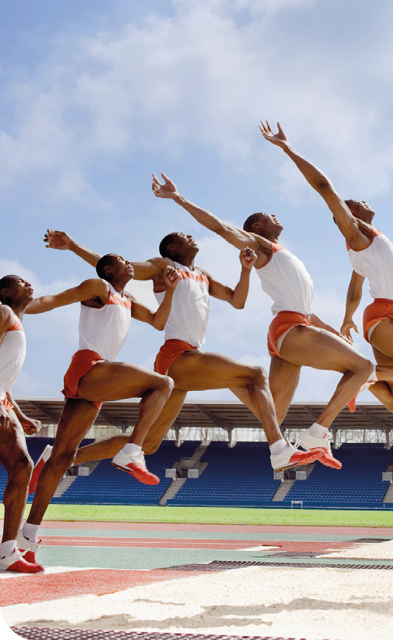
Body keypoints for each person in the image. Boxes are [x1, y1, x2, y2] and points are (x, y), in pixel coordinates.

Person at [42, 230, 320, 474]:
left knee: (148, 444)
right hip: (178, 356)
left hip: (187, 360)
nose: (191, 237)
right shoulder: (164, 267)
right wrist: (74, 246)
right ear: (173, 249)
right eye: (183, 236)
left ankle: (59, 459)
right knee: (255, 374)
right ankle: (279, 450)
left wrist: (245, 270)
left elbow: (238, 300)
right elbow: (118, 268)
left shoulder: (203, 275)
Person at [151, 172, 373, 464]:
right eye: (269, 215)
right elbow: (219, 227)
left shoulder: (284, 255)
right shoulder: (261, 245)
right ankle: (317, 435)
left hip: (294, 324)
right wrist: (178, 198)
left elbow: (307, 310)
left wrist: (334, 332)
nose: (276, 215)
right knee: (363, 367)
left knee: (273, 412)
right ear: (257, 227)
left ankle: (230, 379)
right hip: (289, 328)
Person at [259, 122, 393, 416]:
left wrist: (347, 319)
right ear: (347, 215)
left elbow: (355, 288)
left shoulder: (365, 251)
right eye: (353, 203)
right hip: (387, 316)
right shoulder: (357, 236)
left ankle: (367, 376)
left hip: (381, 317)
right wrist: (288, 148)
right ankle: (367, 373)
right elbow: (325, 188)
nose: (361, 201)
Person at [17, 253, 179, 563]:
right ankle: (132, 451)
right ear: (108, 269)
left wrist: (170, 290)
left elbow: (159, 322)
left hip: (97, 381)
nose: (129, 262)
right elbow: (53, 299)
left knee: (63, 457)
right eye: (121, 260)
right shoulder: (99, 287)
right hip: (90, 366)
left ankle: (29, 530)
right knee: (162, 384)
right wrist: (15, 310)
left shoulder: (126, 298)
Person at [0, 276, 44, 573]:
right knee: (22, 466)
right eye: (21, 281)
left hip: (3, 401)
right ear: (5, 292)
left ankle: (7, 550)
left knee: (23, 467)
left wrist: (18, 411)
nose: (29, 283)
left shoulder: (15, 318)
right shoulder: (2, 311)